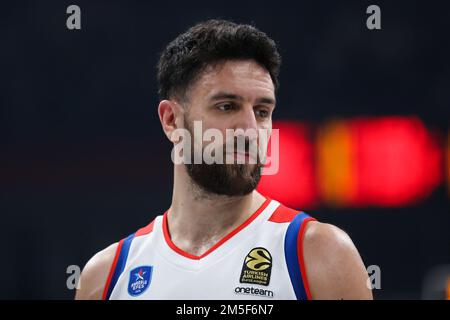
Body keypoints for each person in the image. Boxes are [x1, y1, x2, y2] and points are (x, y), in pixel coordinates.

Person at [75, 19, 373, 300]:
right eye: (227, 106)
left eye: (262, 112)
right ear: (171, 120)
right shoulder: (106, 278)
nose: (249, 129)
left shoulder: (319, 256)